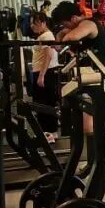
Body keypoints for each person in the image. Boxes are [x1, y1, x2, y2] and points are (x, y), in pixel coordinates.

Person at [52, 0, 104, 168]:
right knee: (83, 122)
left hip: (95, 78)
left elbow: (70, 37)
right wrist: (63, 31)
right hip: (84, 77)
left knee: (90, 123)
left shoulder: (89, 24)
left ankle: (98, 160)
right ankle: (92, 160)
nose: (65, 27)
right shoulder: (79, 27)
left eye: (65, 23)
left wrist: (65, 32)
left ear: (74, 18)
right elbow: (59, 44)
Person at [29, 12, 60, 141]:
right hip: (41, 72)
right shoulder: (43, 36)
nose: (32, 26)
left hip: (46, 73)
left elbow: (48, 56)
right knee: (41, 103)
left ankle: (51, 132)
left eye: (34, 23)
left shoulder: (47, 35)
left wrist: (42, 75)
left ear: (43, 23)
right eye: (31, 23)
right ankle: (46, 132)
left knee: (45, 103)